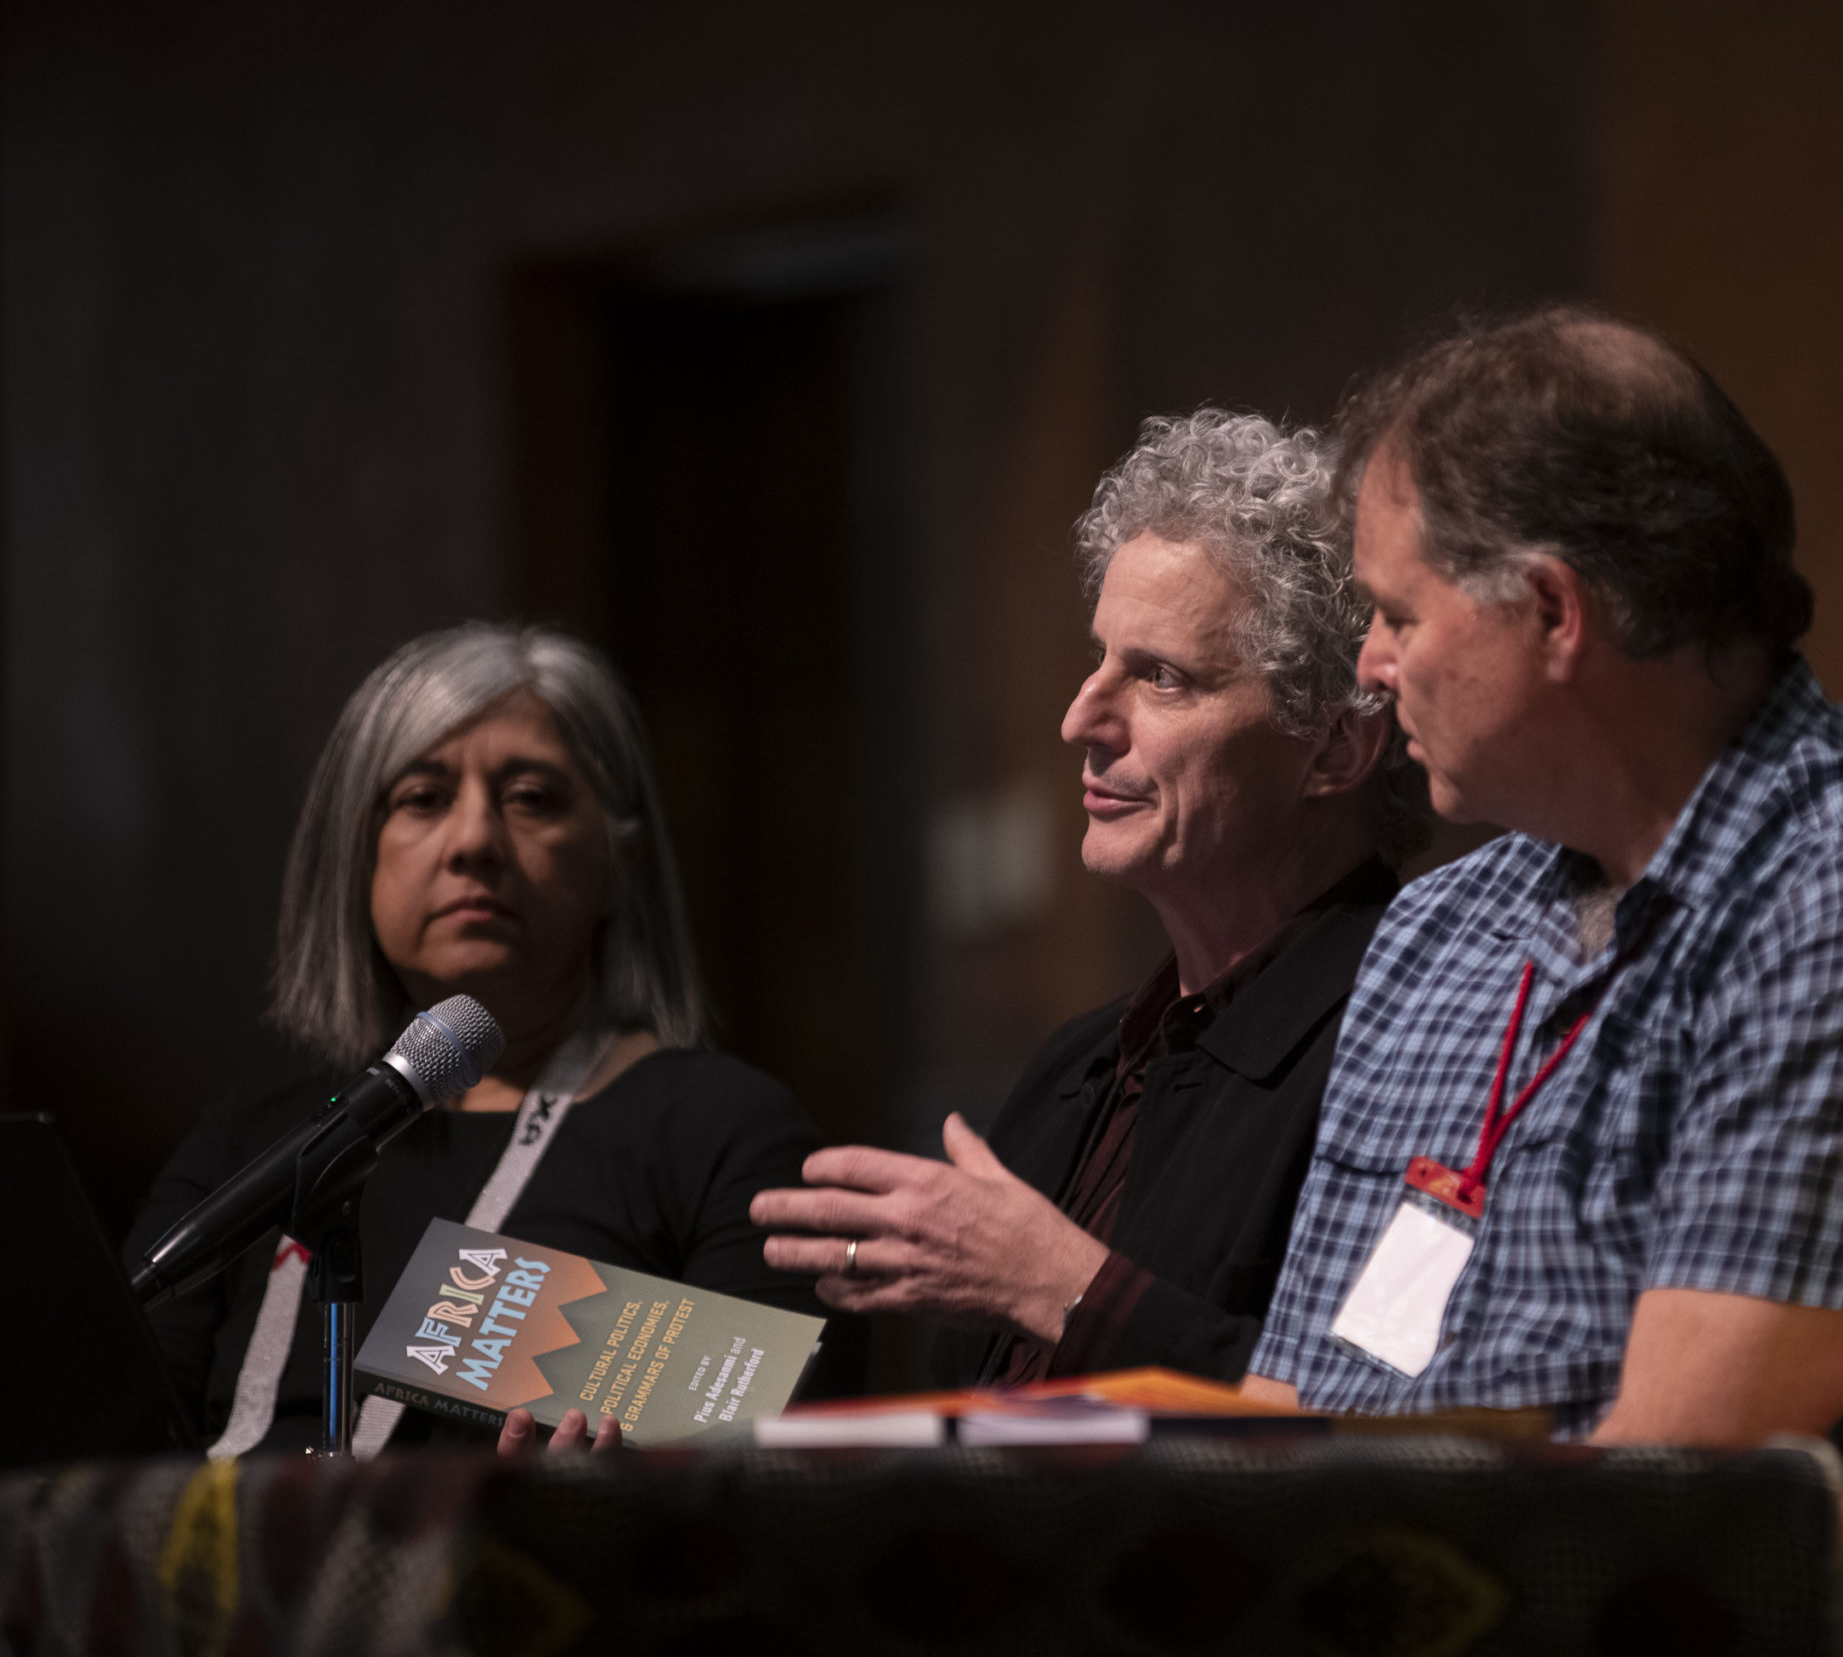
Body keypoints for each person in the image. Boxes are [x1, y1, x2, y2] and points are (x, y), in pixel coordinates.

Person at [1240, 306, 1843, 1464]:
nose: (1371, 671)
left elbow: (1670, 1493)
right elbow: (1290, 1419)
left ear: (1551, 612)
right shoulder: (1437, 929)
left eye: (1397, 616)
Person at [754, 410, 1419, 1384]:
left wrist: (1054, 1282)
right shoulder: (1078, 1064)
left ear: (1334, 746)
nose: (1080, 719)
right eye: (1098, 659)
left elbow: (1379, 1421)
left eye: (1160, 678)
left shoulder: (1415, 1034)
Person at [128, 623, 847, 1455]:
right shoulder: (249, 1141)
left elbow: (782, 1501)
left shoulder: (728, 1137)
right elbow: (93, 1451)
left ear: (619, 863)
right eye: (423, 798)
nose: (473, 841)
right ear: (357, 857)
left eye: (532, 796)